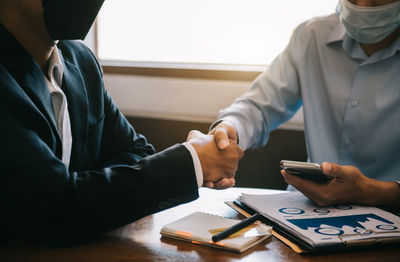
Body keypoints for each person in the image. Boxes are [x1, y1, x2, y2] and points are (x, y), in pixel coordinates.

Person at [0, 0, 243, 244]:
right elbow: (55, 206)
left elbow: (136, 151)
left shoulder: (80, 60)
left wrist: (84, 192)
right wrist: (191, 162)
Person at [209, 0, 400, 209]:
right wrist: (229, 130)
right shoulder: (311, 36)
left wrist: (372, 192)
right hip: (305, 210)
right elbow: (259, 106)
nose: (362, 6)